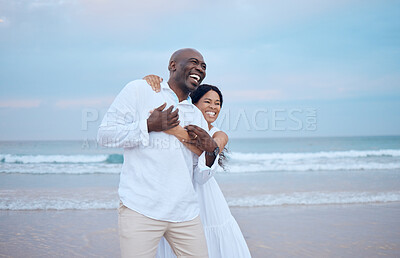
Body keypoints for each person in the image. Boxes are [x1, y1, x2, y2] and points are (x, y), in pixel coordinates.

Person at [97, 48, 221, 258]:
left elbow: (200, 177)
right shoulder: (140, 90)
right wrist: (148, 125)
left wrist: (210, 152)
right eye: (194, 62)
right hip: (140, 209)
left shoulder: (196, 116)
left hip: (185, 213)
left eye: (203, 66)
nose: (199, 68)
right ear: (173, 65)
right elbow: (105, 135)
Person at [144, 76, 252, 258]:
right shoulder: (180, 122)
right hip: (175, 192)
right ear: (193, 103)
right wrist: (150, 81)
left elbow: (211, 147)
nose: (213, 107)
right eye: (207, 101)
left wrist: (170, 128)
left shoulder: (219, 133)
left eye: (218, 103)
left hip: (205, 196)